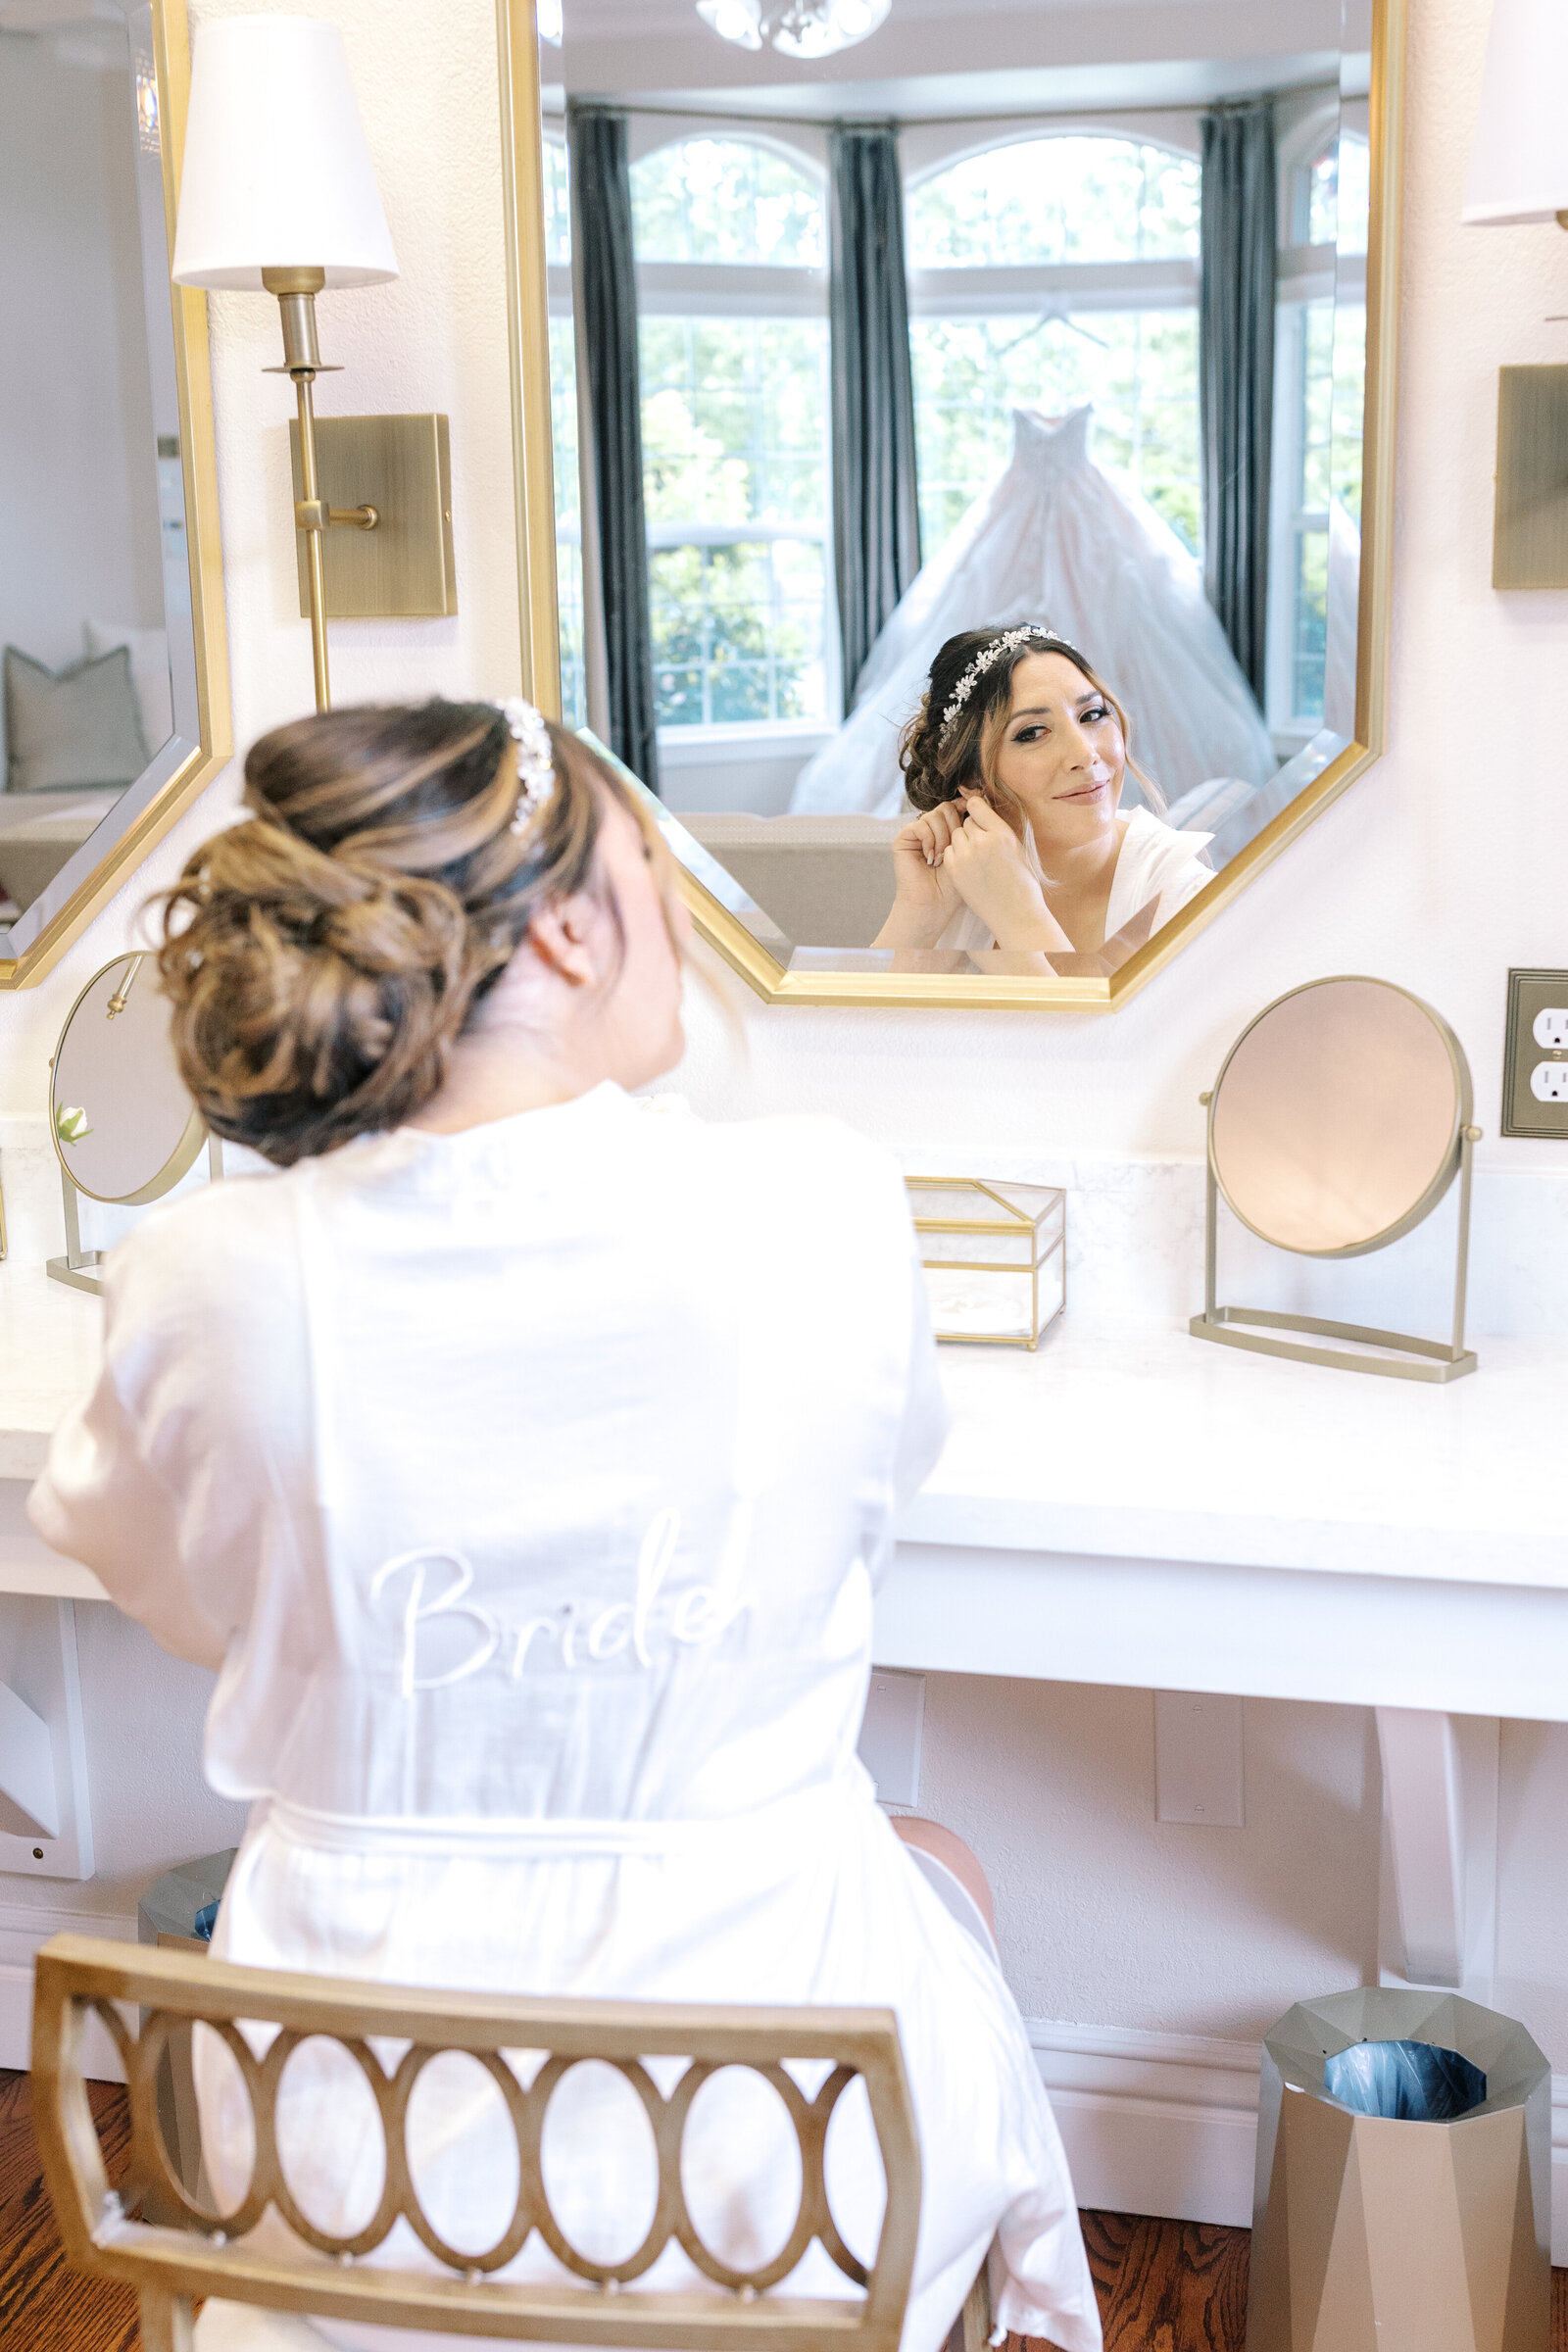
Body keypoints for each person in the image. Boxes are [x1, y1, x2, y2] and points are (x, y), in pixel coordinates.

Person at [28, 698, 1102, 2352]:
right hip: (785, 2183)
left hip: (345, 2178)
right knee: (927, 1858)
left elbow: (180, 1592)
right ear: (570, 929)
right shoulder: (819, 1207)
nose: (679, 910)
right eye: (656, 866)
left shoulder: (200, 1280)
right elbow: (867, 1516)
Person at [873, 627, 1214, 964]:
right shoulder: (961, 882)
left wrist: (1018, 914)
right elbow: (863, 1021)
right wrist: (918, 913)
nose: (1086, 754)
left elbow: (1084, 1022)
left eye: (1092, 714)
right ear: (971, 777)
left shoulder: (1182, 896)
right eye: (1033, 733)